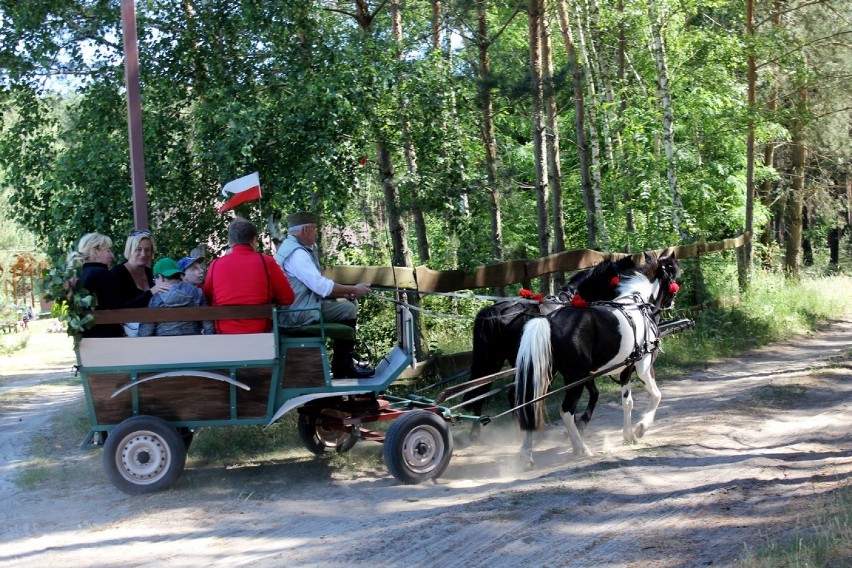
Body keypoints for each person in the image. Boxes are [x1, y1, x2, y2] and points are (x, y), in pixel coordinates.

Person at [275, 211, 373, 378]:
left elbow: (311, 286)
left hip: (296, 307)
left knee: (347, 305)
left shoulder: (290, 248)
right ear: (305, 230)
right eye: (315, 229)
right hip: (297, 313)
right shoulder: (297, 254)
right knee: (348, 309)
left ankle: (345, 361)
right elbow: (321, 287)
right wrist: (354, 290)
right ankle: (343, 365)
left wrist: (344, 292)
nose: (316, 232)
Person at [202, 217, 295, 334]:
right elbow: (288, 298)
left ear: (230, 242)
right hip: (261, 334)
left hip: (224, 335)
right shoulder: (266, 262)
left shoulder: (215, 265)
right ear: (254, 240)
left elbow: (207, 297)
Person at [111, 229, 171, 335]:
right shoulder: (117, 273)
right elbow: (120, 308)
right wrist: (151, 292)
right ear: (130, 250)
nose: (143, 254)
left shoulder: (152, 273)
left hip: (155, 332)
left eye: (147, 250)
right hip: (127, 336)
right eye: (138, 249)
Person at [67, 232, 124, 338]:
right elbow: (119, 308)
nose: (112, 255)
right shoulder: (101, 273)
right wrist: (149, 293)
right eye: (108, 250)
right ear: (95, 252)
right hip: (107, 338)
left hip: (84, 339)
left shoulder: (78, 275)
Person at [139, 258, 214, 337]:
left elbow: (147, 331)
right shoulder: (197, 293)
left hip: (163, 344)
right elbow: (207, 322)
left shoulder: (156, 299)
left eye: (155, 279)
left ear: (160, 277)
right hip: (192, 343)